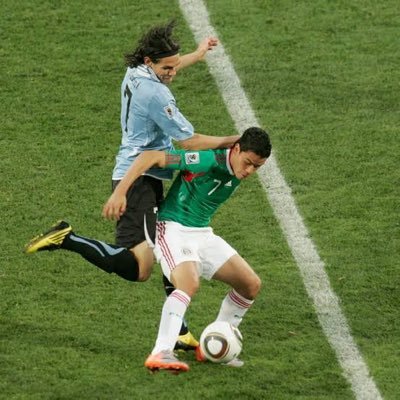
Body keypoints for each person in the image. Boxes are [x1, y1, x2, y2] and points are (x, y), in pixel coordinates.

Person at [24, 20, 240, 352]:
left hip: (145, 174)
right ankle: (67, 238)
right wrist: (232, 140)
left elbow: (173, 63)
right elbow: (187, 141)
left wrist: (197, 54)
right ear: (151, 63)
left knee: (168, 244)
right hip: (139, 177)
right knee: (141, 267)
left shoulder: (138, 72)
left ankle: (179, 330)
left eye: (173, 64)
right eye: (166, 67)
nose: (172, 72)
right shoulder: (155, 93)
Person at [102, 127, 272, 373]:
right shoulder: (207, 161)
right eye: (247, 163)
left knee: (250, 285)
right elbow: (151, 158)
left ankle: (214, 342)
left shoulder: (238, 163)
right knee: (188, 284)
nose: (248, 172)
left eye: (256, 167)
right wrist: (120, 192)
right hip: (172, 229)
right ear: (235, 150)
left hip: (201, 233)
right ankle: (161, 351)